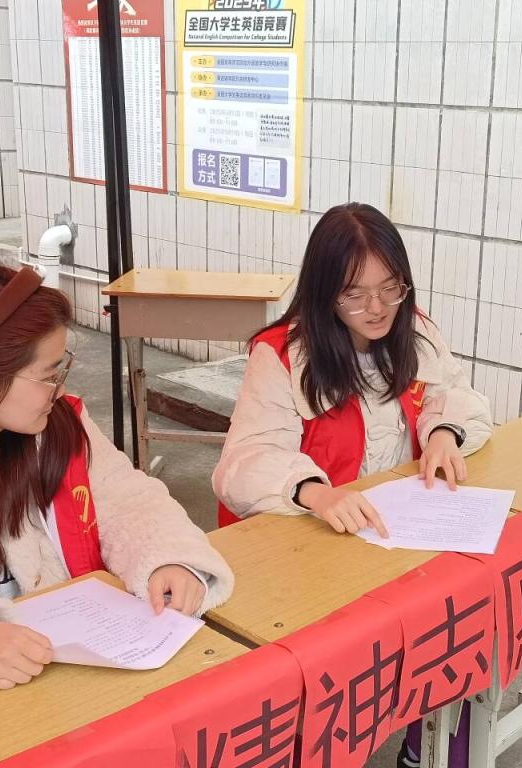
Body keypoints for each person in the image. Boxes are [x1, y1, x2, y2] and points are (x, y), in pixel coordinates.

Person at [0, 265, 234, 697]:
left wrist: (169, 559)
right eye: (48, 375)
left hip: (71, 679)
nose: (59, 389)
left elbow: (127, 498)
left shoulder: (60, 423)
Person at [212, 202, 493, 767]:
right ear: (324, 293)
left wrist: (444, 431)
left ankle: (429, 744)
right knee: (336, 671)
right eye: (355, 295)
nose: (377, 308)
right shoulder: (283, 355)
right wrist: (313, 491)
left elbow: (456, 395)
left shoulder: (415, 331)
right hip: (306, 550)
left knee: (455, 614)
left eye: (391, 288)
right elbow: (241, 464)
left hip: (390, 534)